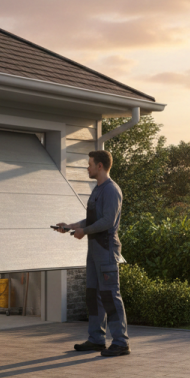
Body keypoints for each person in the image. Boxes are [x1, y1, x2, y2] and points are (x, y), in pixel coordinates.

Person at [56, 150, 129, 357]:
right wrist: (70, 226)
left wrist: (84, 232)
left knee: (109, 296)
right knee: (93, 296)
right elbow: (91, 220)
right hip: (94, 251)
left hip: (106, 251)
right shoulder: (97, 190)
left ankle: (121, 342)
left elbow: (107, 221)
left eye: (89, 164)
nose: (87, 167)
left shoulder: (112, 190)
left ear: (100, 166)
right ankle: (96, 339)